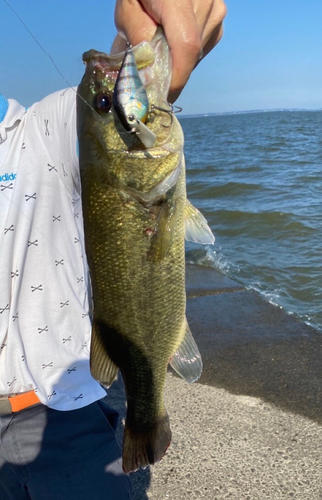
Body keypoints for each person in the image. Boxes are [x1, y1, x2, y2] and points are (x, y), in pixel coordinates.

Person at [0, 0, 226, 498]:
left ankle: (144, 417)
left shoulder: (41, 131)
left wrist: (145, 28)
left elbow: (130, 82)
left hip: (62, 415)